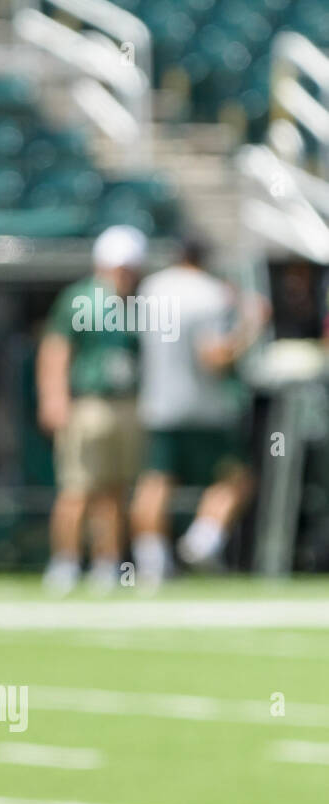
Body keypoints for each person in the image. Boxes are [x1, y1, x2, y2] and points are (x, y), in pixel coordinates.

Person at [130, 237, 262, 586]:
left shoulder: (150, 289)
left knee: (156, 482)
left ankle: (151, 563)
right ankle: (203, 542)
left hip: (159, 405)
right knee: (237, 478)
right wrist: (251, 327)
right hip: (206, 408)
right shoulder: (211, 293)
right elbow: (215, 358)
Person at [37, 224, 147, 595]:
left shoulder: (139, 302)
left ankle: (107, 562)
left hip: (127, 403)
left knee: (115, 491)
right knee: (77, 489)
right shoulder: (80, 299)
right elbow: (56, 349)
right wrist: (54, 397)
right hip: (89, 402)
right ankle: (65, 562)